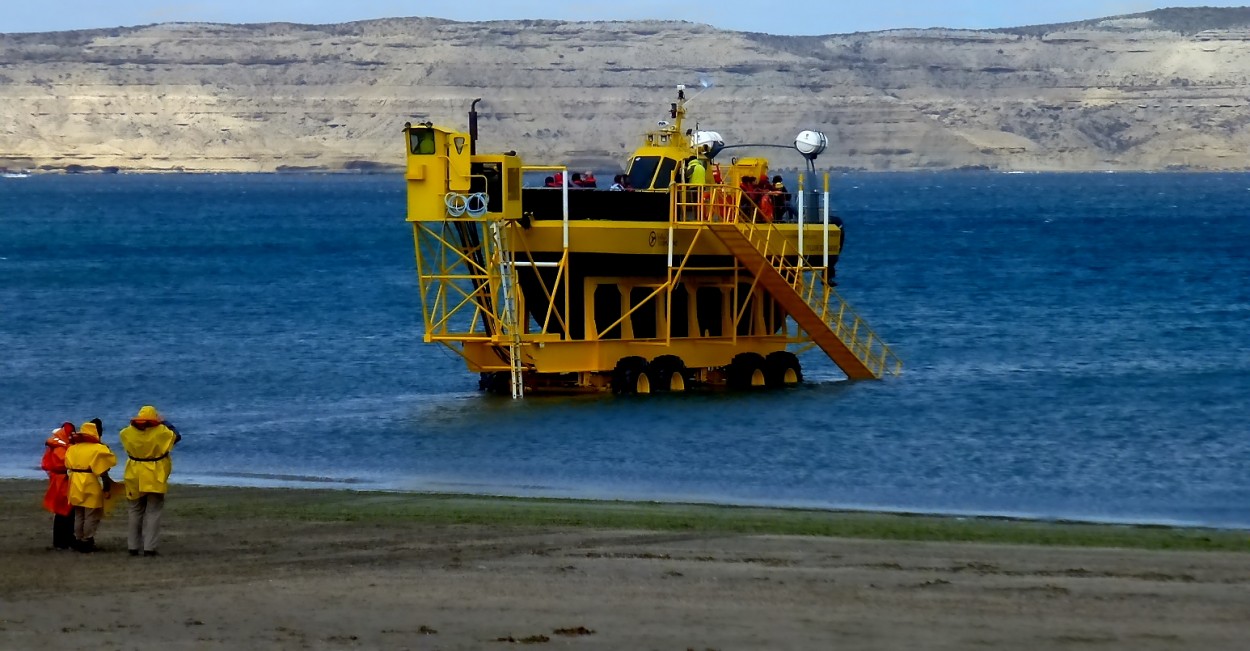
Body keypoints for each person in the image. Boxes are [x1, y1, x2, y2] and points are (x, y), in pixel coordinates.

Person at [119, 405, 182, 557]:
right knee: (153, 511)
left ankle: (133, 546)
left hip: (134, 473)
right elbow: (177, 436)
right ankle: (149, 548)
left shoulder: (126, 432)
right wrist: (164, 421)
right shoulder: (161, 432)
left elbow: (130, 433)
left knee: (135, 510)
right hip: (155, 474)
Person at [64, 420, 117, 553]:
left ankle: (77, 539)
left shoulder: (72, 448)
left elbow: (67, 466)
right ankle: (87, 541)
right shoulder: (98, 449)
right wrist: (106, 487)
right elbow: (103, 471)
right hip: (90, 482)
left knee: (79, 514)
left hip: (75, 481)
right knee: (91, 514)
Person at [40, 422, 75, 550]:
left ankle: (60, 541)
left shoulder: (54, 445)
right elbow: (64, 463)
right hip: (63, 480)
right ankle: (64, 541)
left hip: (57, 480)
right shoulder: (61, 447)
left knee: (61, 513)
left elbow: (45, 464)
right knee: (66, 512)